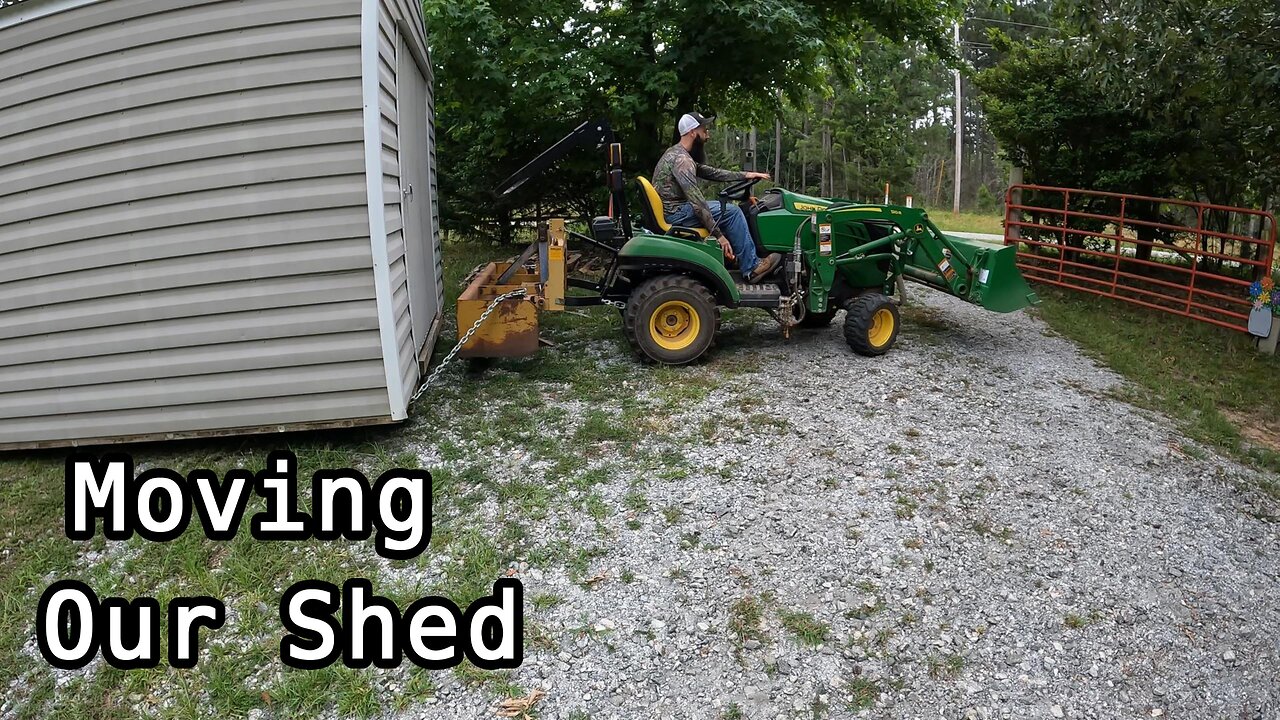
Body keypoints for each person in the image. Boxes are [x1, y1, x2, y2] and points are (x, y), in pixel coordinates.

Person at [651, 112, 782, 282]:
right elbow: (697, 203)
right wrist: (720, 236)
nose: (708, 135)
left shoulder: (676, 153)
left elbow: (713, 173)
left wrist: (746, 175)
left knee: (726, 210)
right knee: (732, 212)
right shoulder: (682, 161)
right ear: (692, 133)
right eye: (704, 130)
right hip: (676, 214)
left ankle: (737, 260)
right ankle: (752, 267)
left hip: (675, 209)